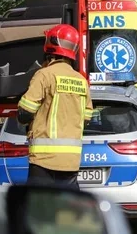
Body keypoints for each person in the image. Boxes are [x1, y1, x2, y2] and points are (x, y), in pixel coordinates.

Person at [17, 24, 95, 187]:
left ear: (49, 45)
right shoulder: (81, 80)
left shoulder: (44, 75)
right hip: (72, 161)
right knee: (68, 210)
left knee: (39, 209)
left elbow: (25, 111)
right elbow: (87, 118)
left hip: (44, 160)